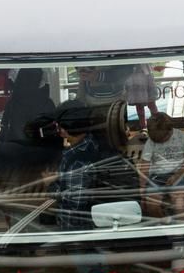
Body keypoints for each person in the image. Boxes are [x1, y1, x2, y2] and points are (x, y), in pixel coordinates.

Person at [50, 100, 138, 234]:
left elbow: (74, 206)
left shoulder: (77, 160)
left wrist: (52, 188)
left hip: (80, 232)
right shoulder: (99, 144)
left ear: (64, 129)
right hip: (110, 226)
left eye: (58, 125)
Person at [0, 68, 64, 190]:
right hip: (41, 157)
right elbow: (52, 135)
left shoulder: (13, 102)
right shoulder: (46, 103)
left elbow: (4, 128)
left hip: (15, 156)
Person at [138, 111, 184, 218]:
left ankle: (183, 227)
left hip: (179, 175)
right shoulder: (150, 142)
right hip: (156, 177)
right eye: (156, 139)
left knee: (180, 205)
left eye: (162, 139)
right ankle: (163, 224)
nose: (159, 142)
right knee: (152, 204)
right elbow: (144, 166)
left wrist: (178, 175)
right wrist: (142, 190)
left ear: (170, 130)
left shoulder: (181, 137)